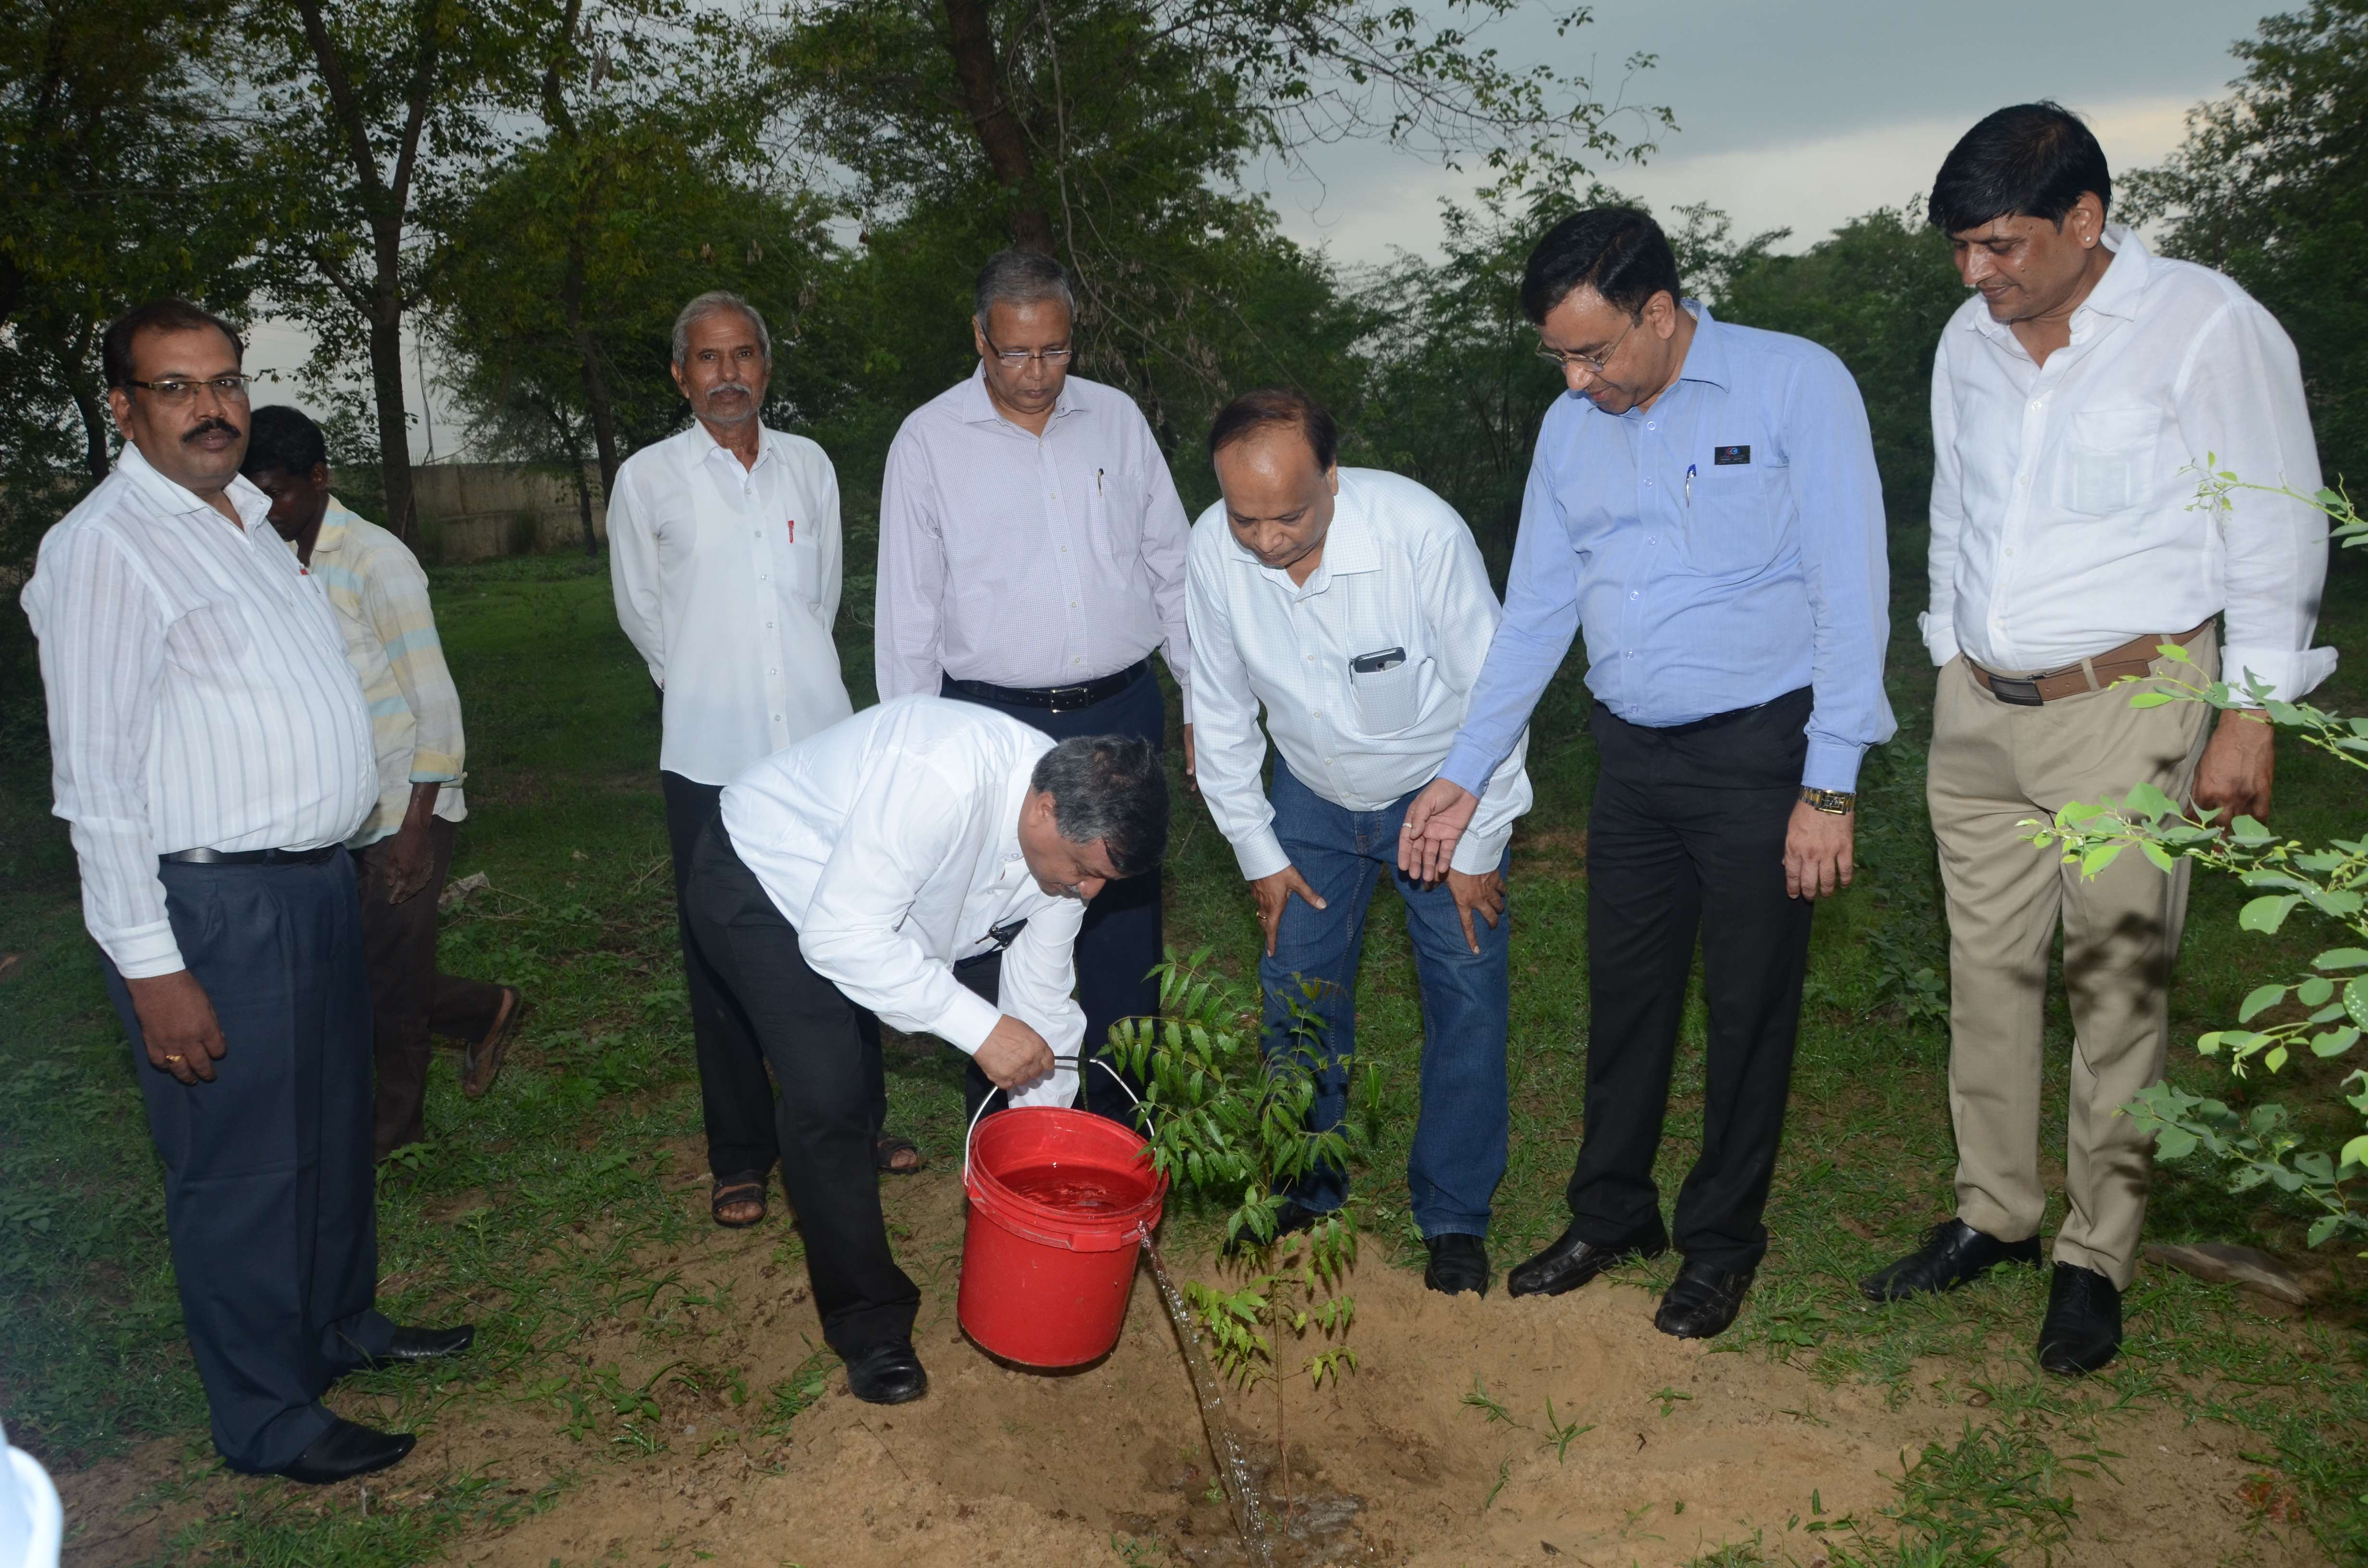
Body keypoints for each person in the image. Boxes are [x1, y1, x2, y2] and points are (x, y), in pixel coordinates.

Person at [1860, 104, 2332, 1375]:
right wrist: (1946, 648)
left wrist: (2251, 711)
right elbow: (1958, 505)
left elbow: (2275, 524)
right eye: (1961, 247)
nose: (1977, 273)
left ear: (2086, 219)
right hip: (1982, 709)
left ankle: (2095, 1255)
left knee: (2114, 988)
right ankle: (1994, 1213)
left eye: (2001, 245)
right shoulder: (1969, 340)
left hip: (2131, 706)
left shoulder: (2205, 326)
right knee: (1988, 977)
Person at [1400, 208, 1895, 1340]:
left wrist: (1828, 786)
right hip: (1629, 758)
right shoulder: (1569, 429)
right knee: (1625, 997)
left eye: (1592, 352)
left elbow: (1850, 587)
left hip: (1760, 752)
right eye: (1557, 357)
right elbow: (1536, 613)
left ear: (1660, 312)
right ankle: (1612, 1213)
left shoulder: (1793, 385)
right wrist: (1465, 769)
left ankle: (1720, 1244)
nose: (1575, 380)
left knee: (1747, 1006)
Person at [21, 299, 472, 1483]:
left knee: (327, 1134)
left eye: (225, 381)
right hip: (213, 909)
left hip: (313, 886)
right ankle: (268, 1417)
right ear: (124, 407)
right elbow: (97, 785)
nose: (211, 407)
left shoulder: (249, 524)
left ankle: (337, 1328)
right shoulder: (107, 547)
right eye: (175, 387)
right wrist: (152, 967)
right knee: (242, 1169)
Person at [683, 696, 1169, 1403]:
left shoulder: (1073, 843)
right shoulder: (941, 780)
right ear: (1044, 809)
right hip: (768, 882)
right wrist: (979, 1029)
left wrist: (1050, 1146)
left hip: (875, 909)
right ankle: (869, 1327)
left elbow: (1039, 996)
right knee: (828, 1096)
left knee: (893, 1029)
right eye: (1083, 868)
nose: (1089, 890)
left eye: (1105, 880)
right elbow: (843, 937)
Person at [1185, 388, 1532, 1297]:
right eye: (1245, 518)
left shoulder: (1422, 535)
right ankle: (1307, 1186)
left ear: (1333, 478)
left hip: (1438, 791)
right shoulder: (1213, 549)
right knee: (1296, 991)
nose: (1266, 540)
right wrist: (1258, 850)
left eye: (1289, 516)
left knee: (1464, 990)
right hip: (1308, 794)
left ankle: (1454, 1215)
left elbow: (1497, 689)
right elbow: (1217, 707)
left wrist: (1478, 840)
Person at [876, 250, 1194, 1122]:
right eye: (1015, 353)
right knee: (993, 935)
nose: (1036, 373)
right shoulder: (928, 441)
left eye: (1055, 350)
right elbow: (908, 615)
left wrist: (1200, 701)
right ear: (980, 339)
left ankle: (1121, 1131)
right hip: (993, 726)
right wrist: (911, 755)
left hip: (1121, 712)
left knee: (1122, 930)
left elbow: (1172, 567)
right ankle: (1007, 1143)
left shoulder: (1117, 420)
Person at [610, 291, 876, 1230]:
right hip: (709, 754)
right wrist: (704, 682)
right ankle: (740, 1151)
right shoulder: (647, 478)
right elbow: (644, 616)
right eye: (708, 358)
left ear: (766, 366)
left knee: (845, 922)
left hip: (816, 747)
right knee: (718, 952)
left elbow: (823, 598)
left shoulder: (809, 466)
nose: (728, 375)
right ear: (680, 374)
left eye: (744, 355)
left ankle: (858, 1119)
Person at [239, 405, 524, 1160]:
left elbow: (435, 698)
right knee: (361, 973)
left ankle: (393, 1135)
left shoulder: (376, 559)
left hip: (405, 801)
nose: (265, 510)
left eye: (277, 493)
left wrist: (417, 827)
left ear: (319, 478)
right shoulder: (271, 558)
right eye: (250, 495)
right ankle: (484, 1010)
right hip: (334, 811)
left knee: (386, 980)